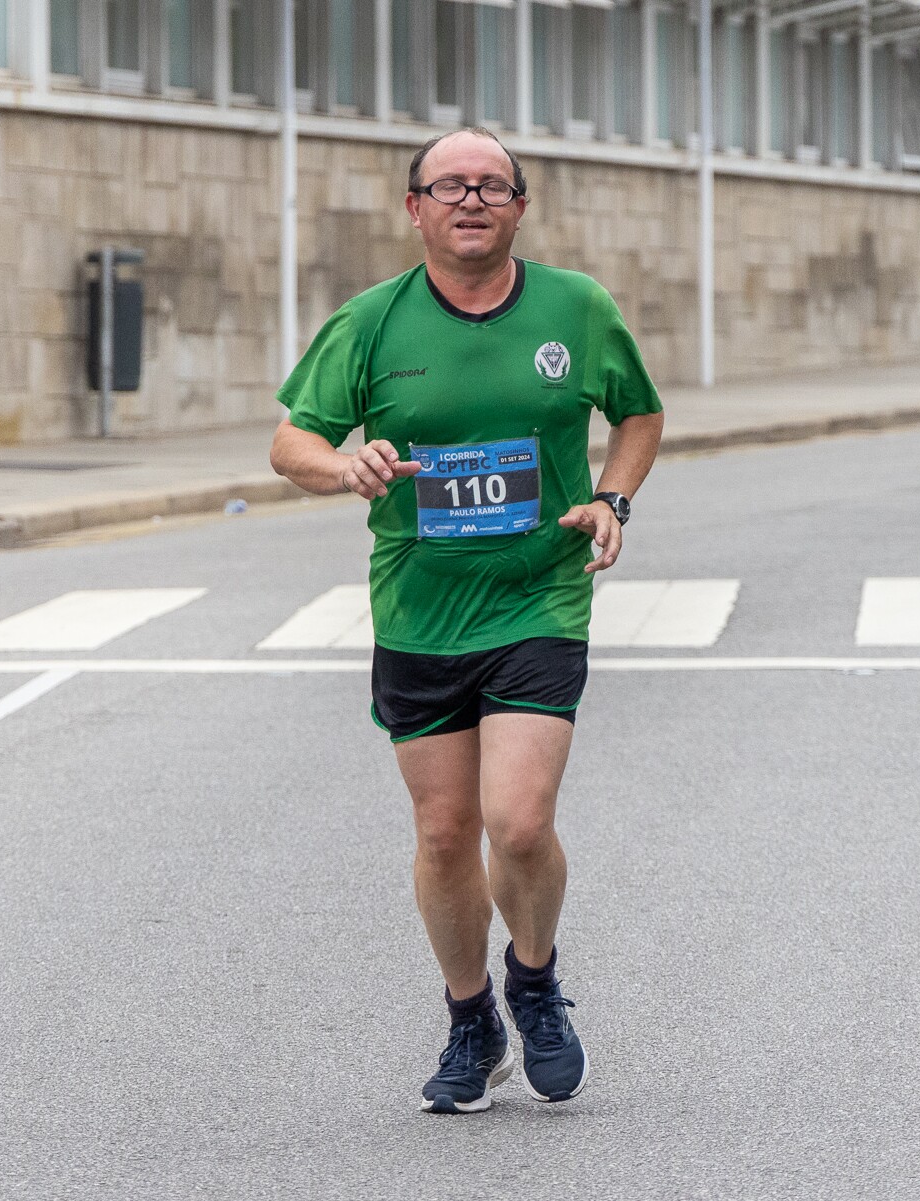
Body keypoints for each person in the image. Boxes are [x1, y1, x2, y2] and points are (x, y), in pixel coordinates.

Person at [268, 127, 664, 1114]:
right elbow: (291, 441)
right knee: (446, 832)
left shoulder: (577, 308)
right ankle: (471, 1017)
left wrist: (610, 499)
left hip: (539, 593)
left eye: (492, 185)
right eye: (450, 186)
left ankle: (534, 980)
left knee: (518, 822)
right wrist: (343, 466)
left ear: (521, 206)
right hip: (419, 607)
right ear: (416, 210)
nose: (472, 199)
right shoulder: (372, 322)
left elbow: (639, 414)